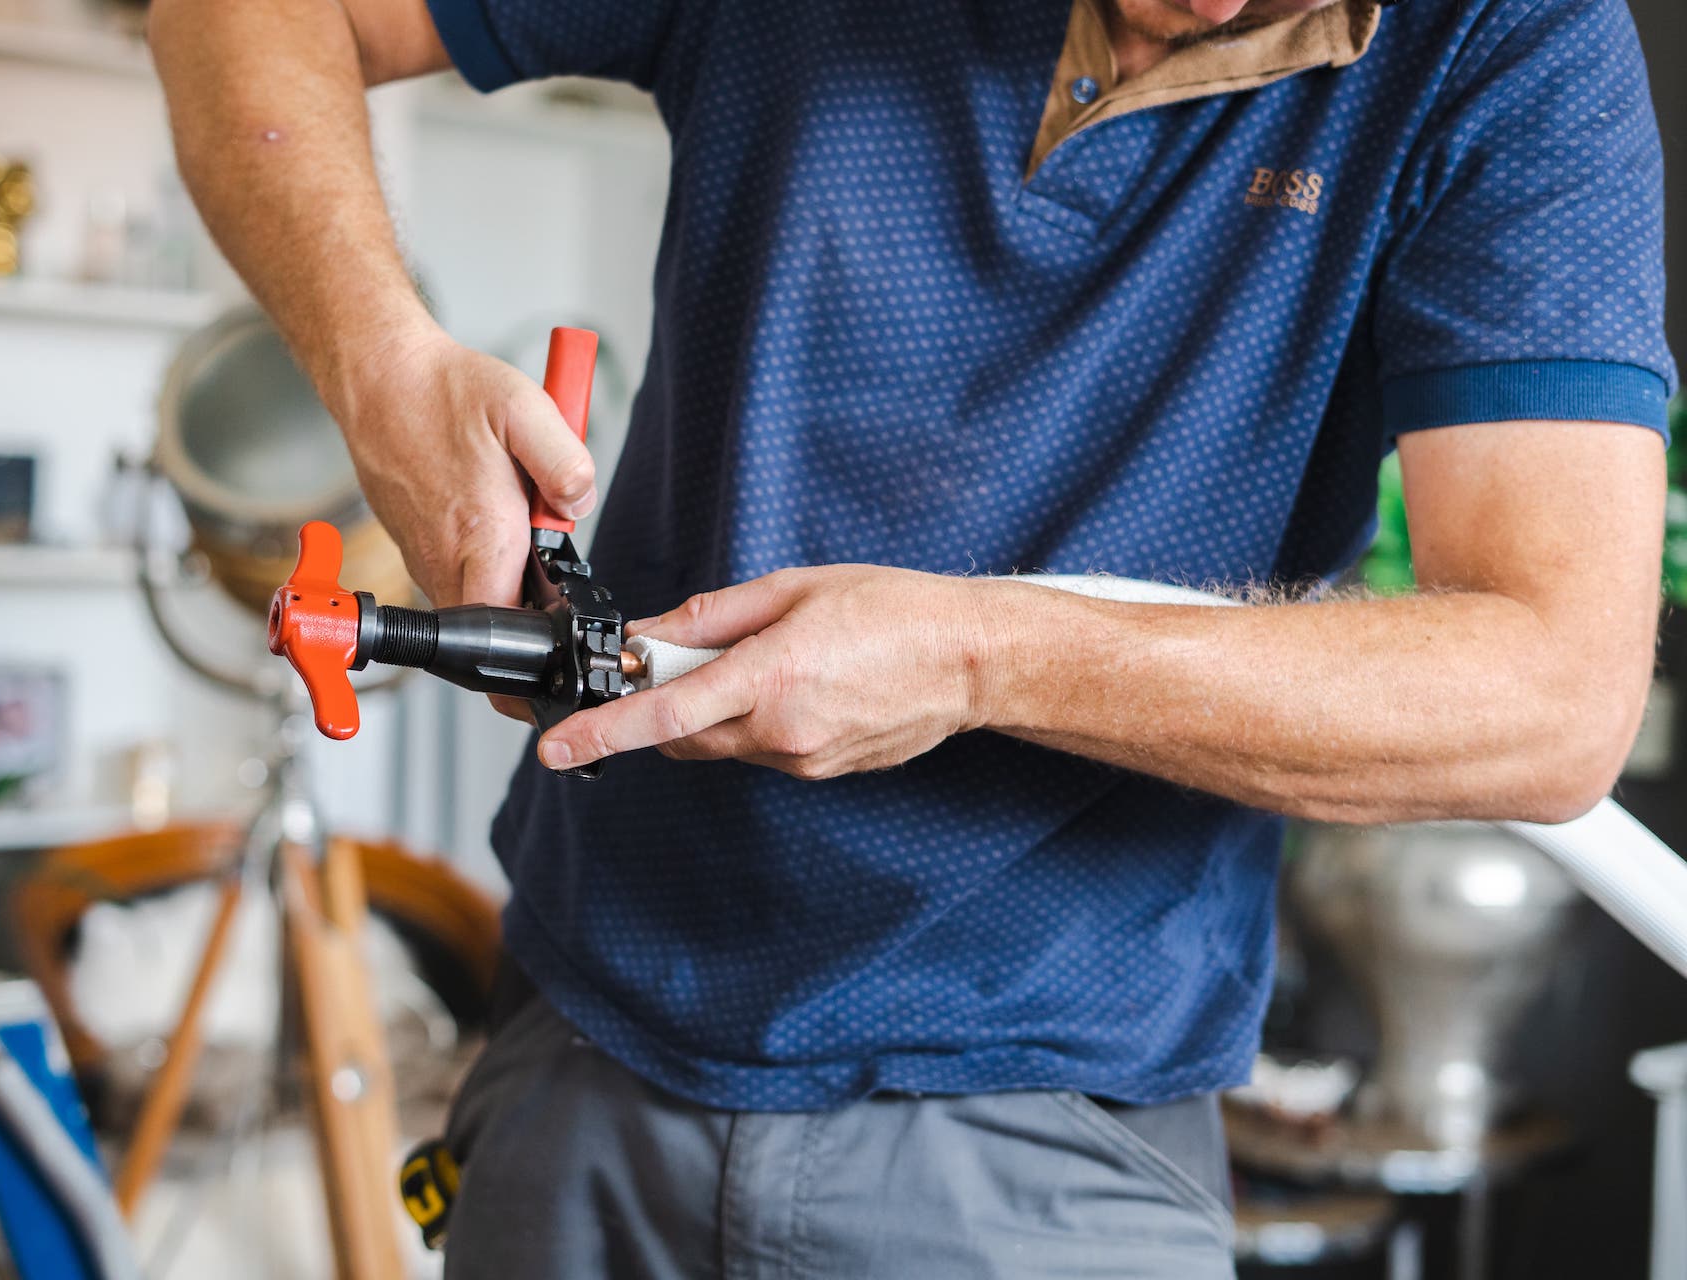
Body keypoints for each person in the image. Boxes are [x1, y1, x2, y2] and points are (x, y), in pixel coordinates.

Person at [150, 0, 1675, 1272]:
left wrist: (977, 660)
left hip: (1052, 1122)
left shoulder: (1512, 45)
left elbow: (1547, 694)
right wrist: (380, 361)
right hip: (591, 1050)